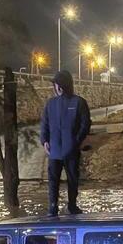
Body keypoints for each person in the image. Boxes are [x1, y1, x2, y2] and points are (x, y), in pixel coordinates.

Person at [40, 70, 91, 216]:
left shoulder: (79, 102)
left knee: (72, 180)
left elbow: (85, 124)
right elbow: (45, 124)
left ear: (62, 86)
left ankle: (72, 205)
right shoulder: (51, 104)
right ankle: (53, 207)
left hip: (71, 150)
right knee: (53, 181)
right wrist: (44, 141)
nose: (56, 88)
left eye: (57, 85)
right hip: (55, 151)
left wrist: (76, 140)